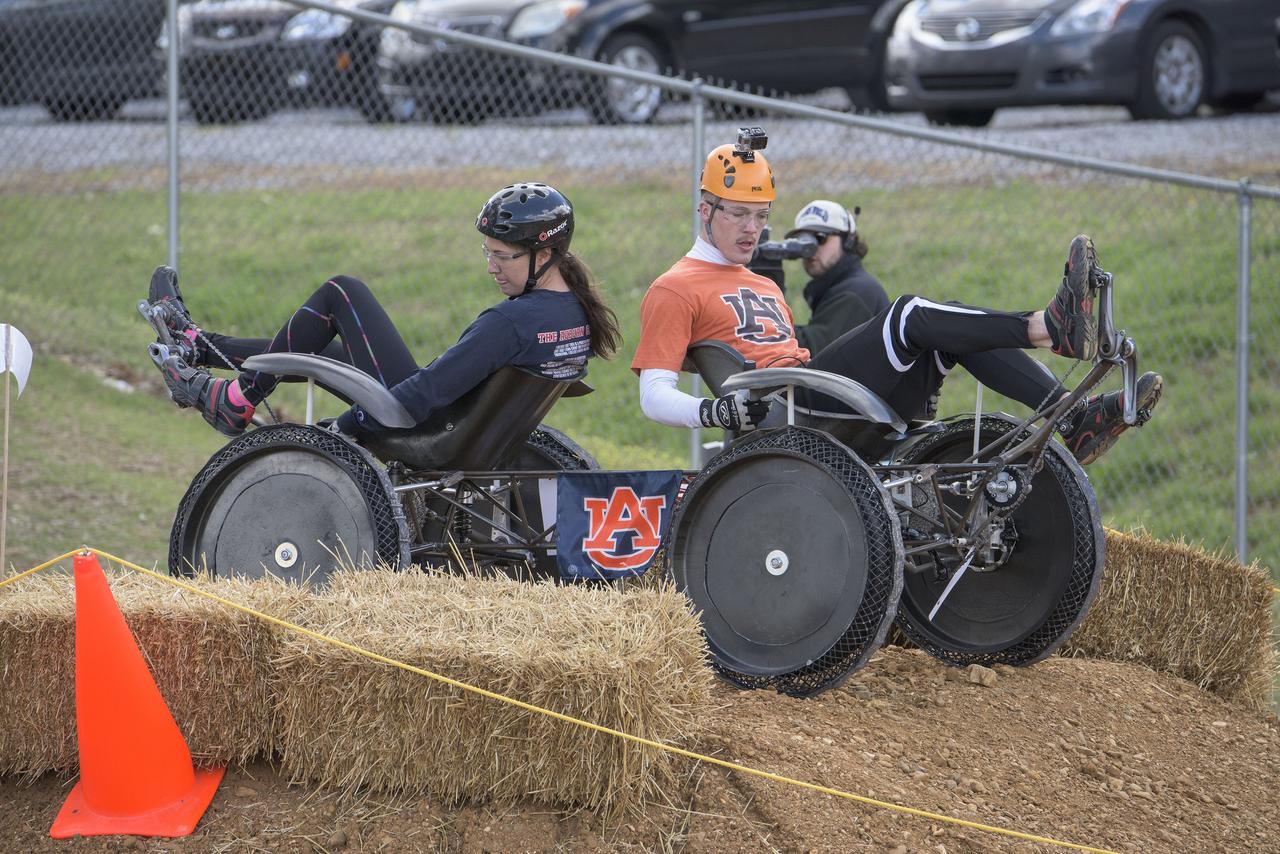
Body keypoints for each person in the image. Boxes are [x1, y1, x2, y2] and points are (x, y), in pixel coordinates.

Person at [631, 133, 1161, 466]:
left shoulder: (765, 284)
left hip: (817, 391)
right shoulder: (675, 286)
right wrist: (715, 410)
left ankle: (1073, 420)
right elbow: (653, 396)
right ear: (705, 211)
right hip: (788, 411)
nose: (753, 229)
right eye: (738, 214)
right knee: (910, 313)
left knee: (945, 329)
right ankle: (1047, 327)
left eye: (762, 215)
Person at [144, 182, 621, 440]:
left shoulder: (508, 323)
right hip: (467, 428)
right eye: (487, 253)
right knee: (329, 351)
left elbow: (421, 396)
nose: (492, 268)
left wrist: (340, 432)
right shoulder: (572, 313)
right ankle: (198, 345)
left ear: (543, 254)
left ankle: (236, 400)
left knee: (341, 293)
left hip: (424, 426)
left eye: (503, 256)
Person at [785, 199, 889, 355]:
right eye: (803, 241)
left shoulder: (856, 292)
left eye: (820, 238)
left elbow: (812, 355)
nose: (810, 249)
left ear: (848, 241)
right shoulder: (843, 287)